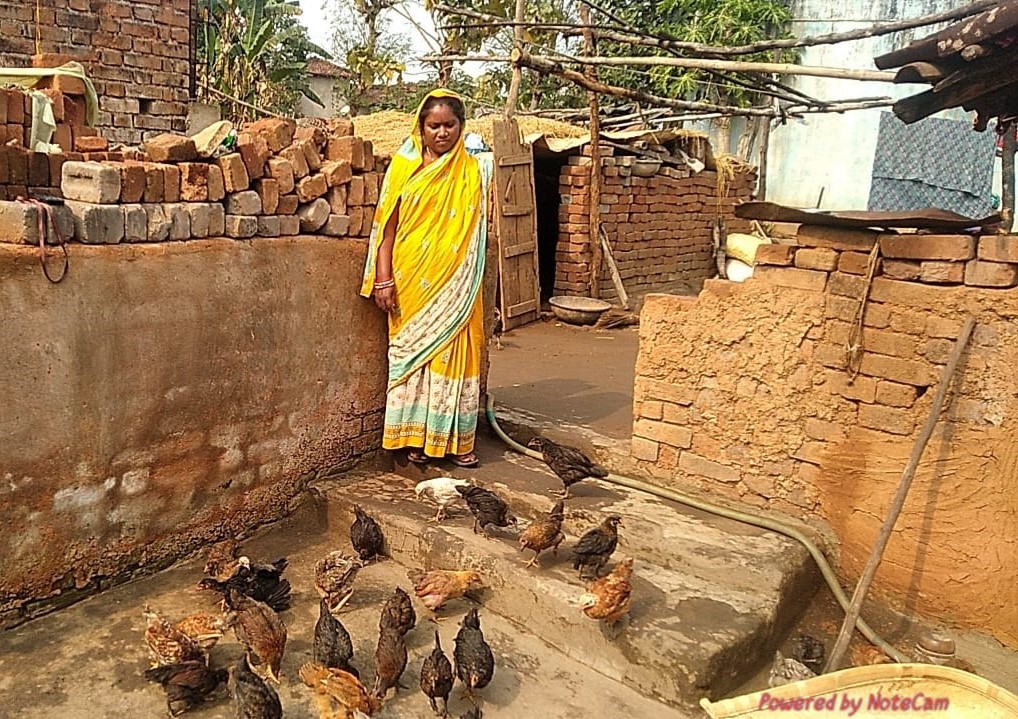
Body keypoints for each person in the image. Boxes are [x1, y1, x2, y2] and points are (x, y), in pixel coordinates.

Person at [360, 89, 493, 468]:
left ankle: (457, 439)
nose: (441, 132)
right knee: (412, 359)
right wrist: (383, 280)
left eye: (449, 125)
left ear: (462, 127)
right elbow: (386, 228)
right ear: (421, 126)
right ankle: (414, 437)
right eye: (433, 125)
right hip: (410, 278)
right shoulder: (405, 166)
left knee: (456, 352)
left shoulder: (474, 170)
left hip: (457, 283)